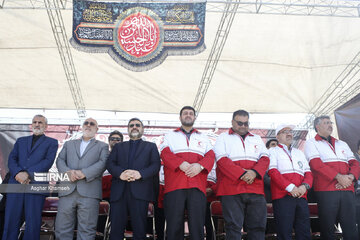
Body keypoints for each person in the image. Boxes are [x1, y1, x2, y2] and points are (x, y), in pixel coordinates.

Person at [213, 109, 269, 240]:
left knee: (258, 227)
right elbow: (222, 160)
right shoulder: (222, 137)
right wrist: (243, 174)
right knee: (233, 227)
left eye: (246, 123)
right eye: (239, 123)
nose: (243, 126)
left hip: (255, 189)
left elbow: (265, 158)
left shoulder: (256, 138)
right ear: (232, 122)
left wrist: (254, 173)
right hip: (231, 189)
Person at [160, 106, 215, 240]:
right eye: (185, 113)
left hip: (197, 185)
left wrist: (200, 165)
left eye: (191, 113)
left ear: (195, 117)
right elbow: (165, 153)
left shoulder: (203, 137)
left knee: (197, 226)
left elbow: (211, 155)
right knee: (174, 226)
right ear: (180, 117)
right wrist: (180, 164)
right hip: (175, 186)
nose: (188, 115)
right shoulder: (170, 135)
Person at [2, 114, 58, 240]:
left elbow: (47, 162)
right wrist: (18, 173)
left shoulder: (52, 142)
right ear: (31, 125)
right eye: (35, 122)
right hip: (16, 185)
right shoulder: (20, 141)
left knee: (33, 224)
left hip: (36, 186)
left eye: (40, 122)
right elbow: (12, 159)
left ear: (46, 126)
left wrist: (27, 174)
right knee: (10, 221)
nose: (37, 124)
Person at [304, 115, 360, 240]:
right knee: (327, 228)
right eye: (326, 123)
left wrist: (350, 177)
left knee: (351, 228)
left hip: (347, 190)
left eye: (330, 122)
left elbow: (355, 163)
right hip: (326, 191)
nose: (330, 125)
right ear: (317, 126)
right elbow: (316, 165)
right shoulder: (311, 143)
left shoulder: (342, 143)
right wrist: (339, 177)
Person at [106, 118, 160, 240]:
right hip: (119, 192)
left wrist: (139, 174)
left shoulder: (151, 146)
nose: (134, 127)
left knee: (140, 230)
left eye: (137, 125)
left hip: (140, 193)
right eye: (131, 125)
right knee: (115, 231)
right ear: (128, 129)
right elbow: (110, 164)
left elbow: (155, 165)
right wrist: (121, 174)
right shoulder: (119, 146)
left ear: (142, 129)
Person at [55, 118, 109, 240]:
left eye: (92, 124)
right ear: (82, 127)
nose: (88, 126)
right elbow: (60, 160)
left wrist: (84, 173)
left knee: (87, 230)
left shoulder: (103, 146)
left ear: (97, 129)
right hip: (67, 190)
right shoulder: (69, 143)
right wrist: (68, 172)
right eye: (86, 123)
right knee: (62, 228)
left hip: (89, 193)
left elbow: (103, 163)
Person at [268, 124, 313, 240]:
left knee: (304, 231)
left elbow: (308, 173)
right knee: (284, 231)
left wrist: (304, 187)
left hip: (301, 196)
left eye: (290, 131)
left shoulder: (299, 152)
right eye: (284, 132)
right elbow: (273, 172)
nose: (289, 134)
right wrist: (290, 187)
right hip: (282, 197)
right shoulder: (273, 151)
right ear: (277, 137)